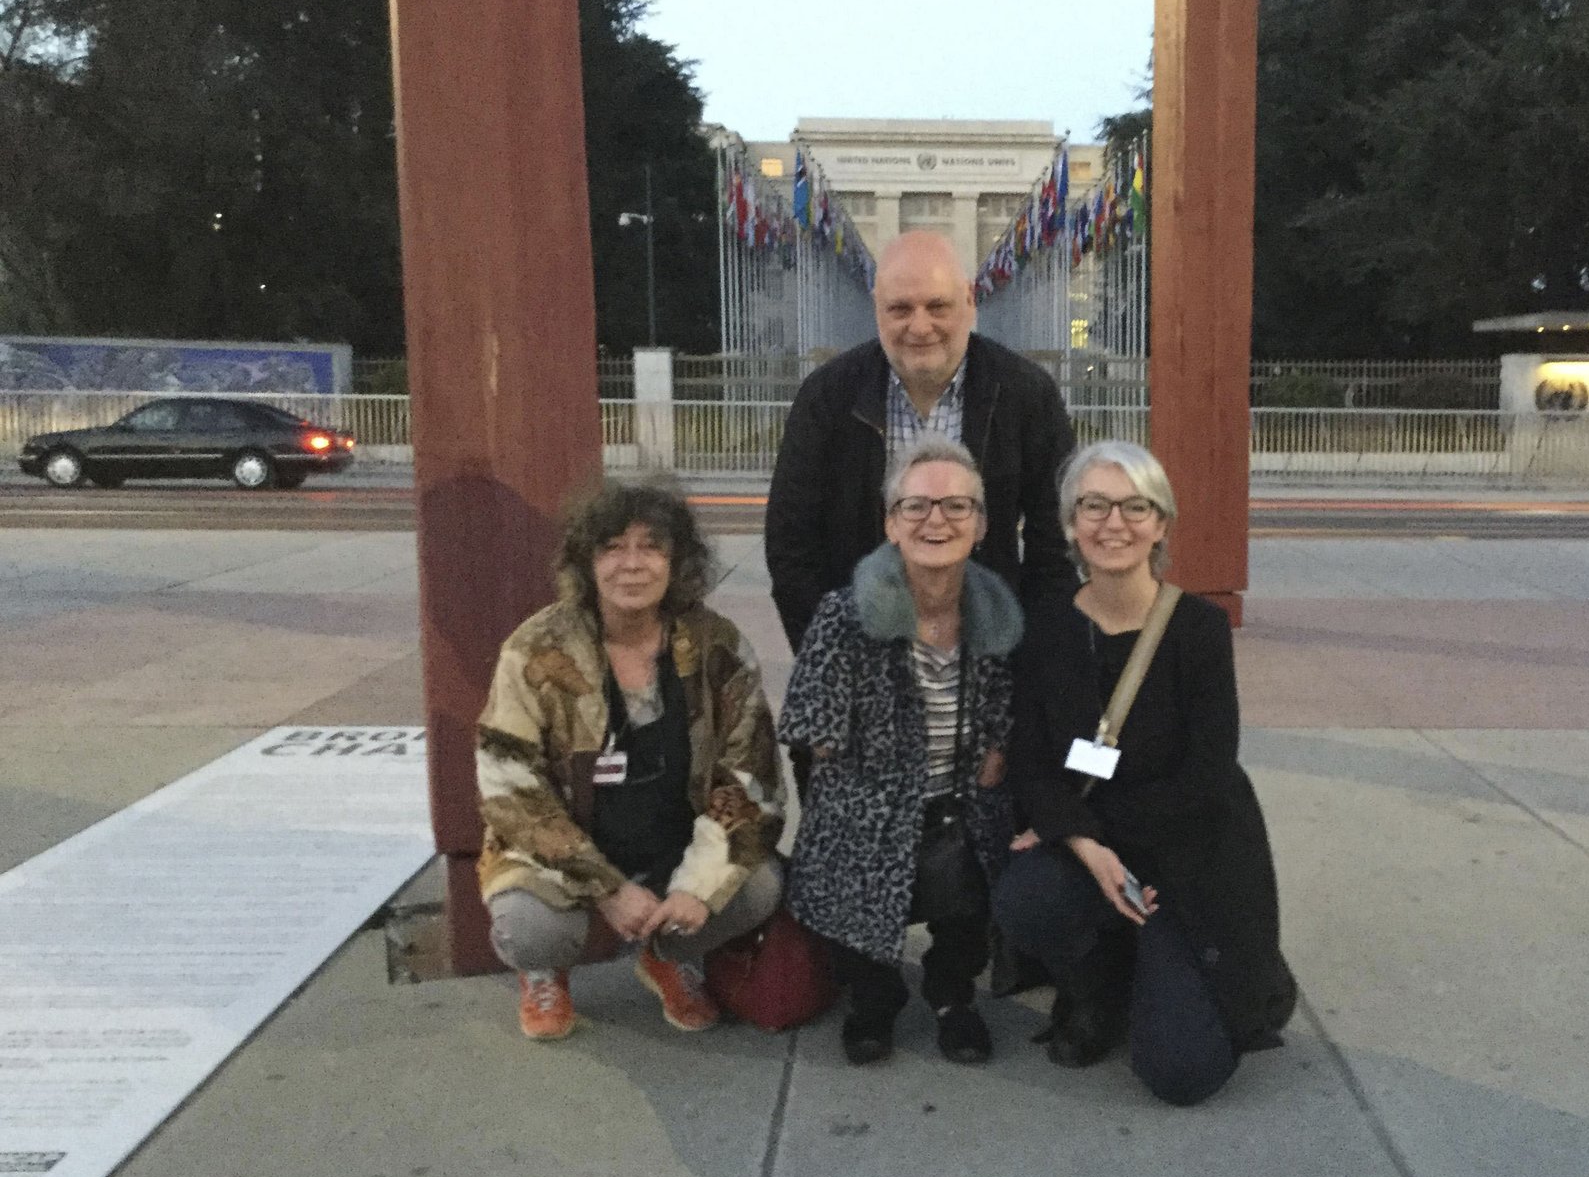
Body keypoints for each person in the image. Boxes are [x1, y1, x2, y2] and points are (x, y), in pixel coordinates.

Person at [995, 441, 1297, 1106]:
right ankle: (1094, 988)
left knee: (1181, 1075)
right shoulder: (1045, 628)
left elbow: (1207, 776)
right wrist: (1082, 847)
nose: (1114, 523)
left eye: (1136, 506)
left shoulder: (1198, 629)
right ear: (1071, 524)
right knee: (1026, 895)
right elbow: (1034, 762)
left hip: (1187, 855)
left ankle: (1223, 966)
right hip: (1093, 849)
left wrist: (1089, 833)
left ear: (1161, 524)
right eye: (1094, 505)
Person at [475, 479, 786, 1041]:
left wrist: (698, 884)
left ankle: (667, 956)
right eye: (613, 547)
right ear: (586, 563)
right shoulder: (534, 649)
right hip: (564, 852)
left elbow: (751, 776)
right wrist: (607, 887)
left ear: (677, 562)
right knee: (530, 930)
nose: (632, 565)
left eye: (652, 547)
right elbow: (509, 788)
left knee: (760, 887)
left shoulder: (718, 645)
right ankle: (544, 972)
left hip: (675, 840)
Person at [779, 437, 1024, 1066]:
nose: (936, 520)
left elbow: (1009, 715)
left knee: (981, 848)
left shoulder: (997, 613)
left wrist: (997, 748)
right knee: (855, 847)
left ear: (981, 524)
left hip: (960, 797)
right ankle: (874, 996)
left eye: (956, 506)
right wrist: (864, 768)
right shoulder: (847, 612)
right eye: (916, 506)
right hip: (870, 797)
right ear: (891, 523)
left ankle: (951, 992)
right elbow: (811, 721)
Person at [764, 230, 1076, 656]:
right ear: (877, 310)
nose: (920, 326)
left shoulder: (1026, 395)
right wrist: (830, 659)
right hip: (860, 659)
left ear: (969, 301)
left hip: (990, 661)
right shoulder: (827, 398)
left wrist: (1027, 661)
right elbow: (791, 547)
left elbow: (1058, 545)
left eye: (937, 306)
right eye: (900, 309)